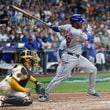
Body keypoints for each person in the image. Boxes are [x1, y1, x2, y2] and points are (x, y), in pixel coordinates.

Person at [40, 14, 99, 101]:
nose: (81, 23)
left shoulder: (68, 27)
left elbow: (57, 28)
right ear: (75, 23)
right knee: (59, 77)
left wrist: (51, 26)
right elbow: (88, 38)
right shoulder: (77, 32)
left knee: (93, 69)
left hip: (78, 57)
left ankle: (91, 90)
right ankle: (44, 94)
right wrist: (89, 32)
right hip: (69, 57)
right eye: (80, 22)